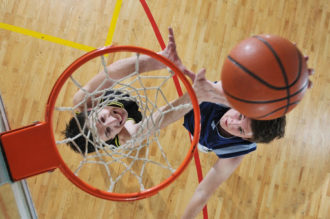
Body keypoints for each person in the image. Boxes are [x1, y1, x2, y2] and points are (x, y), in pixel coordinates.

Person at [180, 56, 314, 218]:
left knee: (203, 146)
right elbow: (261, 76)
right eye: (241, 116)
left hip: (202, 137)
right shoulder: (233, 96)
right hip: (195, 105)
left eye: (241, 131)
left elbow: (203, 192)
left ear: (246, 139)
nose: (231, 123)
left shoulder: (238, 150)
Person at [64, 27, 222, 153]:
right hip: (131, 115)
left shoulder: (84, 100)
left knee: (82, 97)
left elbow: (112, 73)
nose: (114, 121)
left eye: (102, 119)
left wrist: (159, 60)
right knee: (134, 137)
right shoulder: (125, 136)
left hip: (111, 100)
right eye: (108, 132)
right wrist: (195, 96)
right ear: (109, 139)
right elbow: (159, 119)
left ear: (92, 109)